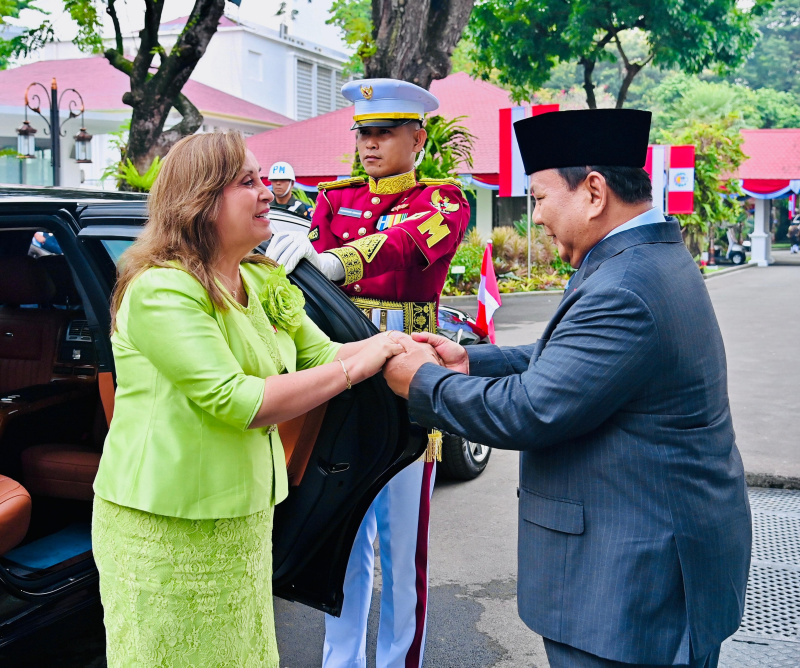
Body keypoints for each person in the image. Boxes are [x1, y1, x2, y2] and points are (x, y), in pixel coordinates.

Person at [382, 109, 752, 668]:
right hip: (652, 559)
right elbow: (573, 361)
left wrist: (421, 383)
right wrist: (469, 361)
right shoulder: (640, 259)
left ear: (594, 193)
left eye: (538, 197)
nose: (536, 218)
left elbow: (531, 411)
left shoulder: (624, 285)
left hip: (633, 585)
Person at [91, 131, 405, 668]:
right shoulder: (160, 288)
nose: (268, 193)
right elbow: (239, 400)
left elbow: (322, 354)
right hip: (164, 526)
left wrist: (398, 345)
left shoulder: (259, 281)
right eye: (248, 182)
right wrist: (361, 364)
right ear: (201, 201)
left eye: (263, 180)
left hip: (244, 517)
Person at [266, 78, 470, 668]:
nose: (370, 144)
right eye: (363, 132)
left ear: (418, 136)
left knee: (404, 551)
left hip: (408, 379)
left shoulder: (443, 200)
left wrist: (334, 260)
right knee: (343, 541)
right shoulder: (333, 199)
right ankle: (342, 661)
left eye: (383, 133)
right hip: (343, 375)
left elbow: (406, 245)